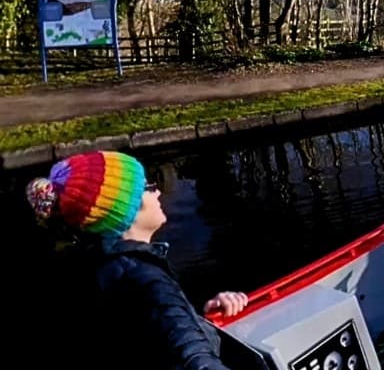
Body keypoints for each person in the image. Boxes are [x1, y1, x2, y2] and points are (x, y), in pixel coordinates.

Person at [25, 150, 250, 370]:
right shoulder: (147, 281)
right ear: (125, 209)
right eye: (148, 187)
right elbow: (195, 361)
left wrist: (197, 319)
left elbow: (149, 340)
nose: (158, 192)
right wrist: (174, 310)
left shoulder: (100, 269)